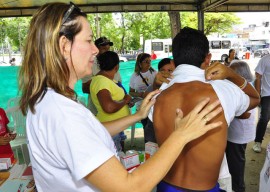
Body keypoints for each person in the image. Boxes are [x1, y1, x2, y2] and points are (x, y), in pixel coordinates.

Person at [18, 3, 223, 191]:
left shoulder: (49, 98)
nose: (95, 50)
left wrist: (137, 115)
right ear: (64, 46)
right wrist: (181, 135)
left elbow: (91, 132)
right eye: (88, 40)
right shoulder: (64, 114)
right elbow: (130, 188)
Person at [150, 27, 260, 192]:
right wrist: (232, 74)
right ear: (208, 58)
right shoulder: (223, 90)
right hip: (204, 187)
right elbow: (255, 98)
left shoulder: (158, 94)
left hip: (165, 184)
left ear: (173, 62)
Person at [90, 51, 132, 152]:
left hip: (116, 128)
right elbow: (109, 107)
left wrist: (125, 102)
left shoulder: (106, 80)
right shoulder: (101, 81)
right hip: (111, 130)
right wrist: (125, 100)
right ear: (117, 67)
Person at [226, 60, 256, 192]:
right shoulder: (241, 87)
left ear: (240, 75)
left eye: (231, 72)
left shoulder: (246, 89)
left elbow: (245, 115)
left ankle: (238, 188)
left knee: (236, 164)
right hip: (235, 134)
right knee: (234, 161)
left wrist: (228, 112)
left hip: (239, 135)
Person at [81, 36, 121, 115]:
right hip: (97, 112)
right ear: (96, 48)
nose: (107, 49)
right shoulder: (89, 64)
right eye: (103, 47)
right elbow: (85, 88)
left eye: (108, 47)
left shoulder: (113, 64)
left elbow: (119, 84)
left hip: (116, 111)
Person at [144, 58, 175, 143]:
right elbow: (149, 100)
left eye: (170, 70)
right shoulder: (154, 86)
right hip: (154, 130)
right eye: (162, 70)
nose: (166, 73)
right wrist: (156, 85)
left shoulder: (178, 85)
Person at [129, 53, 157, 129]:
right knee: (147, 127)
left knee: (154, 127)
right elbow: (130, 92)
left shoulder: (154, 73)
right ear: (140, 64)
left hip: (154, 105)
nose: (149, 63)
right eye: (146, 61)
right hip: (141, 106)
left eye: (150, 61)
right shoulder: (134, 76)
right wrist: (140, 94)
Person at [253, 53, 270, 153]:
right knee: (264, 118)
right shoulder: (265, 59)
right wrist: (257, 94)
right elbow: (258, 77)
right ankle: (258, 142)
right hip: (267, 93)